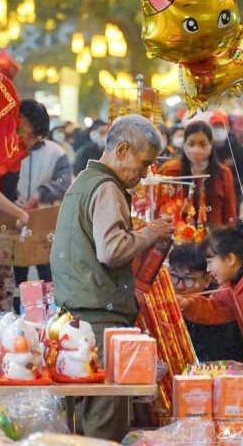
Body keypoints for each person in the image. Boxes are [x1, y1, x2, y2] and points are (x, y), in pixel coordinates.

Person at [49, 115, 173, 442]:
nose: (146, 172)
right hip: (99, 322)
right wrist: (151, 232)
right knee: (104, 424)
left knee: (81, 425)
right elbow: (112, 250)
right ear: (121, 149)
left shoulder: (83, 183)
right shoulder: (106, 187)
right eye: (144, 162)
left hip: (76, 319)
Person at [178, 225, 243, 421]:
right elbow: (217, 309)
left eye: (210, 262)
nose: (208, 270)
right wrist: (189, 305)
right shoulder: (232, 285)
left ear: (231, 259)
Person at [14, 100, 71, 286]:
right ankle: (17, 304)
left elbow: (64, 181)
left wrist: (42, 192)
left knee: (47, 273)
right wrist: (13, 199)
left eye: (35, 135)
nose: (29, 140)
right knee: (16, 275)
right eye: (28, 133)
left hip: (44, 222)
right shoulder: (8, 149)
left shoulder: (56, 153)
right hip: (14, 220)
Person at [168, 243, 243, 365]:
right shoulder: (165, 298)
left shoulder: (220, 303)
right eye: (174, 276)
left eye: (188, 279)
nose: (180, 286)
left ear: (208, 279)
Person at [159, 121, 238, 228]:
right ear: (184, 145)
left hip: (214, 239)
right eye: (191, 144)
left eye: (202, 144)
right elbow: (162, 209)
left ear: (210, 145)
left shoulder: (223, 173)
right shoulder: (169, 172)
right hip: (179, 238)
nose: (196, 149)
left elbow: (230, 214)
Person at [210, 110, 243, 197]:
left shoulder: (237, 149)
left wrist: (227, 183)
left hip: (232, 194)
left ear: (227, 128)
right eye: (216, 126)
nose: (218, 130)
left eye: (222, 127)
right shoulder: (206, 149)